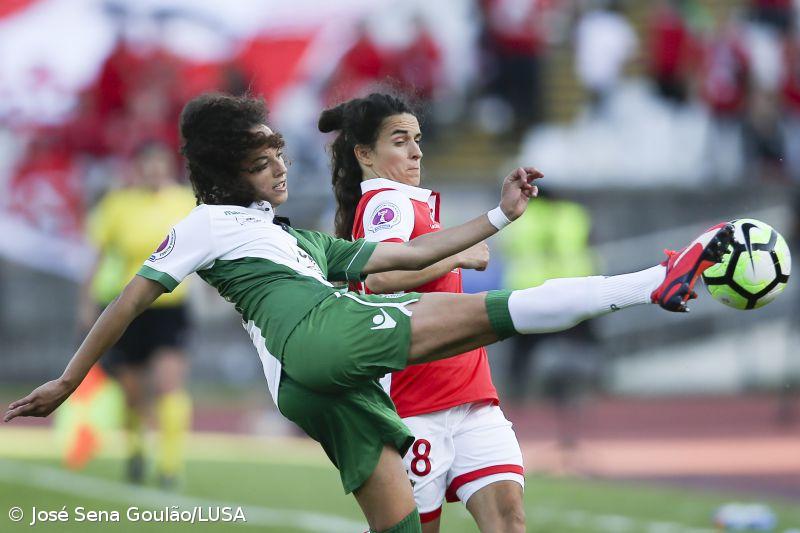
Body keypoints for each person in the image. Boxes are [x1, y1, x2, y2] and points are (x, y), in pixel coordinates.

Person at [5, 93, 735, 533]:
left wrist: (493, 217)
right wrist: (69, 380)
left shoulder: (293, 236)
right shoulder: (202, 223)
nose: (281, 169)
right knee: (500, 313)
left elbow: (400, 261)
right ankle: (653, 281)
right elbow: (129, 297)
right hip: (322, 340)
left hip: (314, 387)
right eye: (264, 163)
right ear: (228, 172)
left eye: (281, 155)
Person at [324, 93, 523, 532]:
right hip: (415, 407)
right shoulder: (386, 204)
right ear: (365, 155)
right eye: (400, 141)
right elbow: (380, 278)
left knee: (509, 520)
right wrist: (457, 256)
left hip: (470, 396)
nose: (416, 151)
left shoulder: (411, 203)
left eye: (417, 139)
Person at [77, 140, 196, 486]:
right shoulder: (117, 205)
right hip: (127, 306)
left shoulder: (185, 202)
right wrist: (85, 304)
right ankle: (136, 449)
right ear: (137, 169)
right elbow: (96, 257)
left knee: (168, 383)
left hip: (170, 306)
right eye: (148, 165)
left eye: (160, 164)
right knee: (131, 389)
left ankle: (170, 466)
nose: (154, 171)